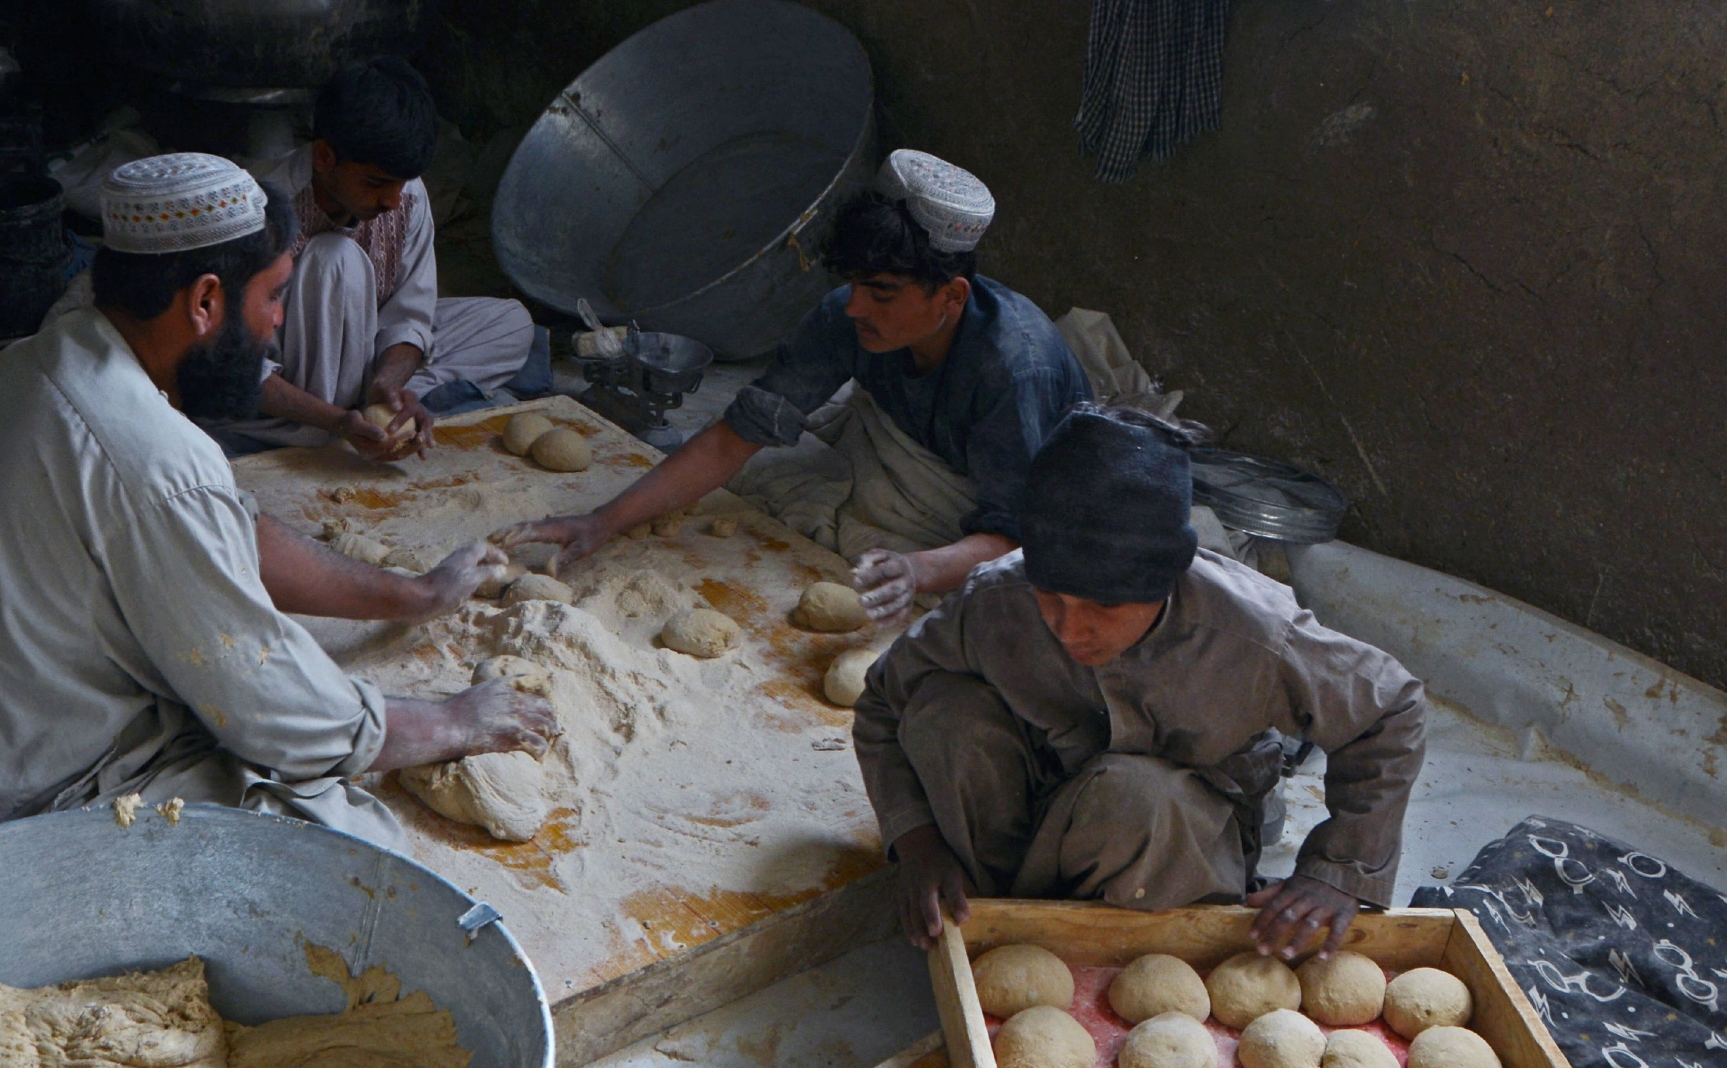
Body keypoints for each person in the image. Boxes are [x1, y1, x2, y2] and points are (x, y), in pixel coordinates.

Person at [0, 154, 553, 892]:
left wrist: (413, 596)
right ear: (205, 302)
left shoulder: (45, 361)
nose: (279, 324)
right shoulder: (150, 456)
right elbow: (286, 715)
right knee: (327, 835)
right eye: (274, 297)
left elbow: (228, 533)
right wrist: (455, 721)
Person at [853, 406, 1427, 957]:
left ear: (1164, 582)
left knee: (1136, 797)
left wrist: (1339, 873)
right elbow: (883, 701)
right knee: (944, 713)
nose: (1070, 628)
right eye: (1051, 597)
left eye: (1104, 604)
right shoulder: (996, 600)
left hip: (1174, 831)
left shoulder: (1253, 632)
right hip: (1041, 797)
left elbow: (1391, 709)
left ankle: (1091, 940)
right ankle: (989, 917)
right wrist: (918, 841)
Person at [504, 149, 1091, 623]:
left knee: (1012, 610)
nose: (856, 307)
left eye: (882, 292)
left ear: (952, 296)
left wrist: (920, 571)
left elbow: (1015, 534)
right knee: (759, 479)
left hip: (1021, 493)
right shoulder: (850, 316)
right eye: (855, 284)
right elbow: (733, 439)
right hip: (909, 453)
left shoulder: (1015, 367)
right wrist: (600, 522)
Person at [210, 57, 537, 456]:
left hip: (362, 350)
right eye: (377, 182)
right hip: (292, 373)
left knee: (511, 324)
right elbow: (234, 365)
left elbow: (410, 315)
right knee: (336, 259)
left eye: (400, 184)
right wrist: (334, 419)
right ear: (324, 157)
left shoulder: (405, 195)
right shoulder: (262, 211)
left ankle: (387, 409)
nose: (392, 200)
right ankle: (326, 425)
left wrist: (391, 382)